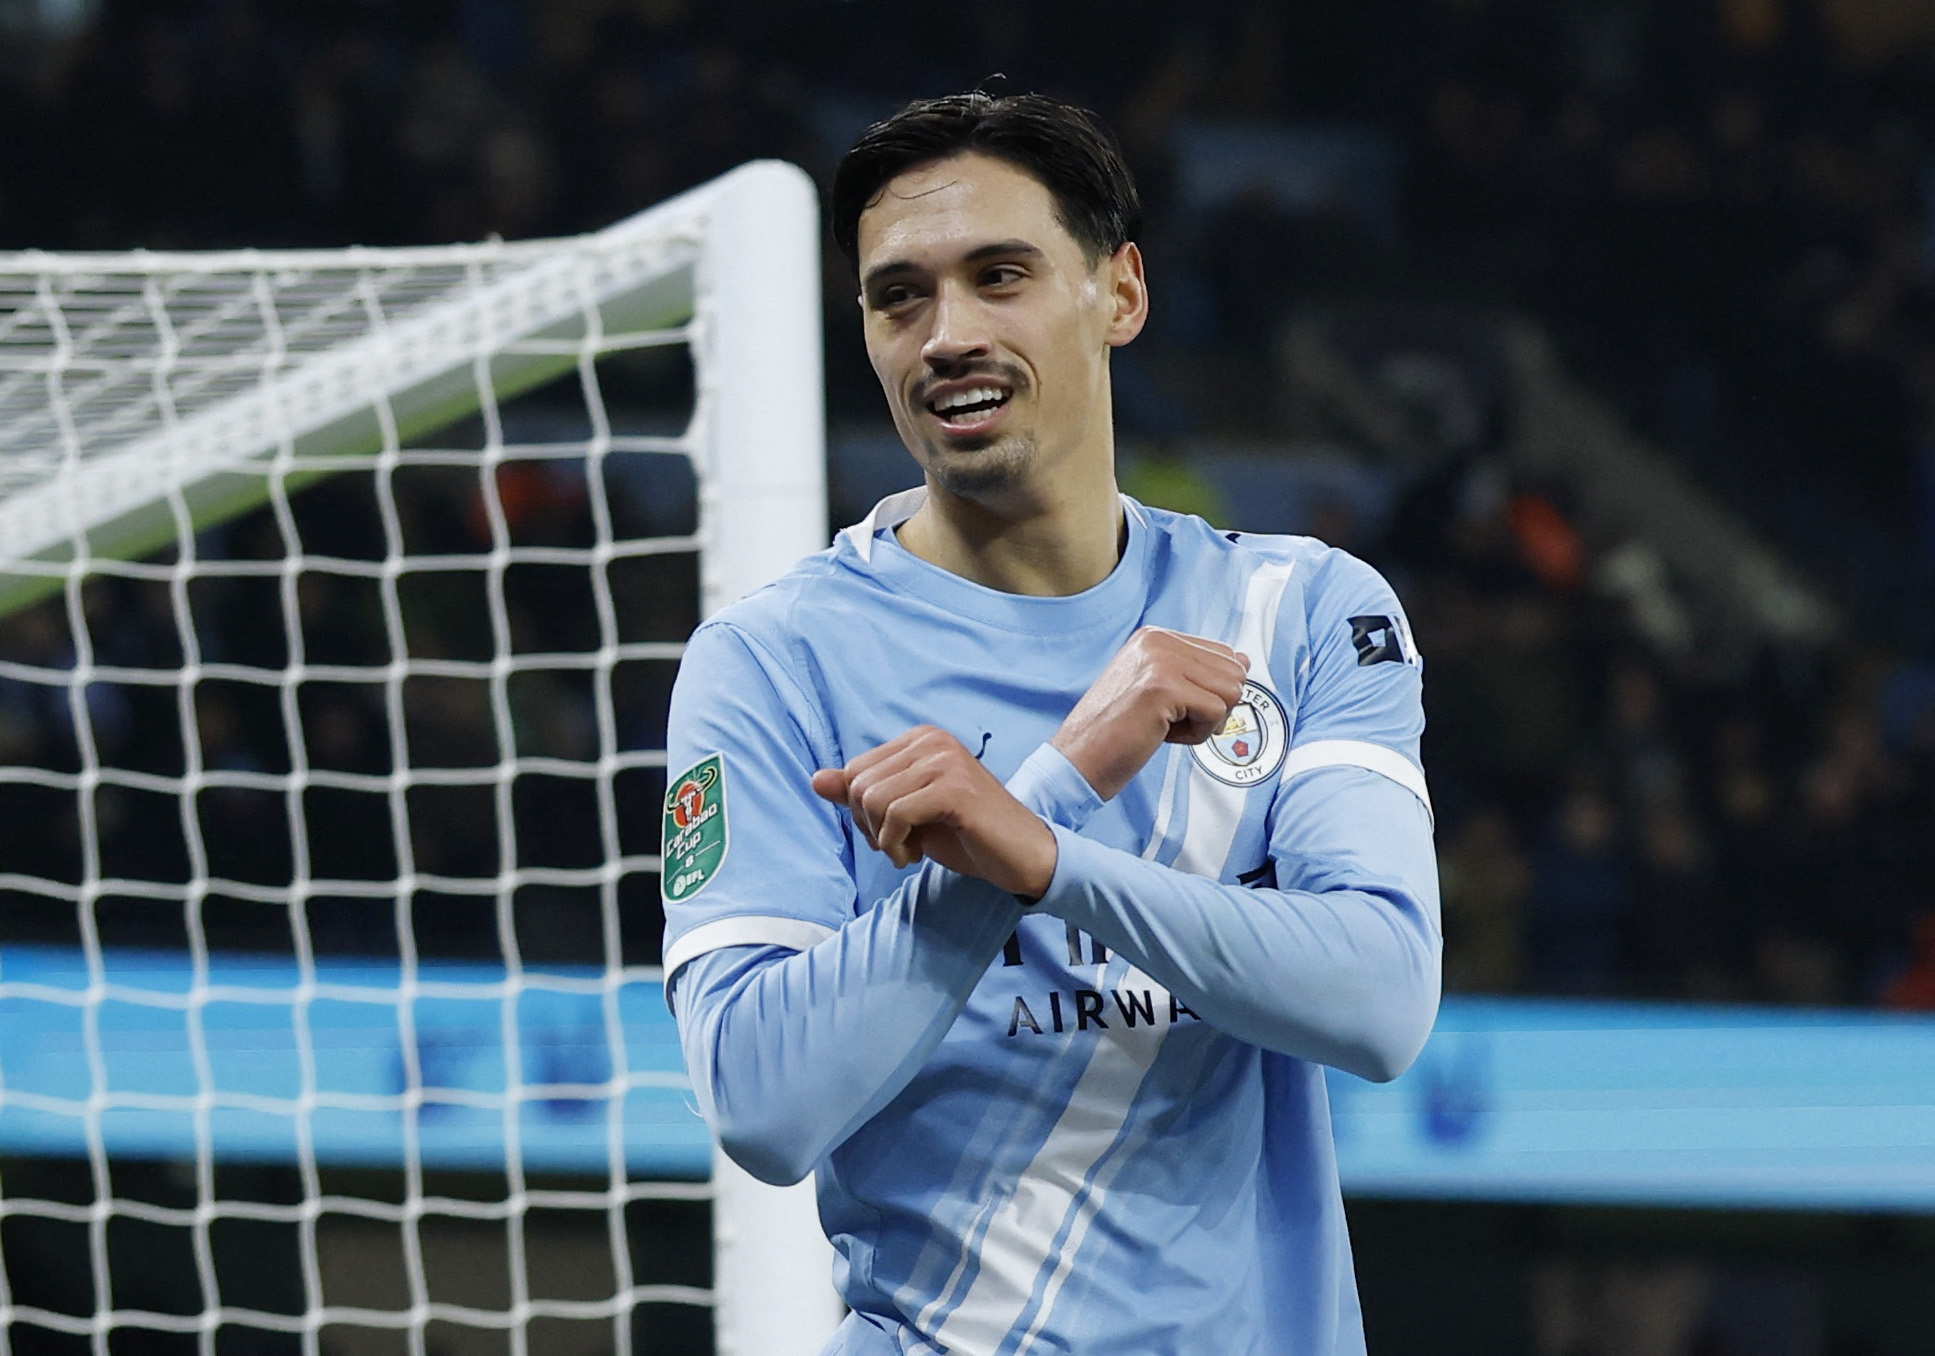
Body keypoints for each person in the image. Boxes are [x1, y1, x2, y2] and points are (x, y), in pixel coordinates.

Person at [661, 91, 1441, 1355]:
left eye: (1001, 276)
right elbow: (760, 1101)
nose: (946, 335)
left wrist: (1038, 854)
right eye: (897, 296)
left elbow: (1381, 999)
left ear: (1120, 294)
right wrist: (1066, 781)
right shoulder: (770, 662)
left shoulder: (1297, 608)